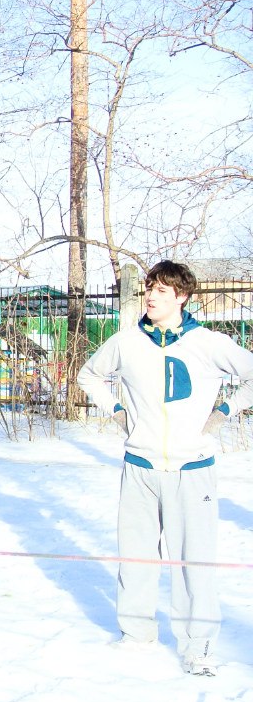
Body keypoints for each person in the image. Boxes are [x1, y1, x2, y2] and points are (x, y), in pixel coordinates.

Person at [77, 260, 253, 677]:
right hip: (140, 464)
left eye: (161, 290)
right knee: (136, 554)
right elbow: (89, 375)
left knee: (194, 558)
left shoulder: (208, 342)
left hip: (193, 469)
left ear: (182, 297)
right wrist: (118, 411)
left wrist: (225, 410)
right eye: (149, 289)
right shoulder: (126, 342)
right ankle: (136, 634)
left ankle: (198, 645)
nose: (151, 296)